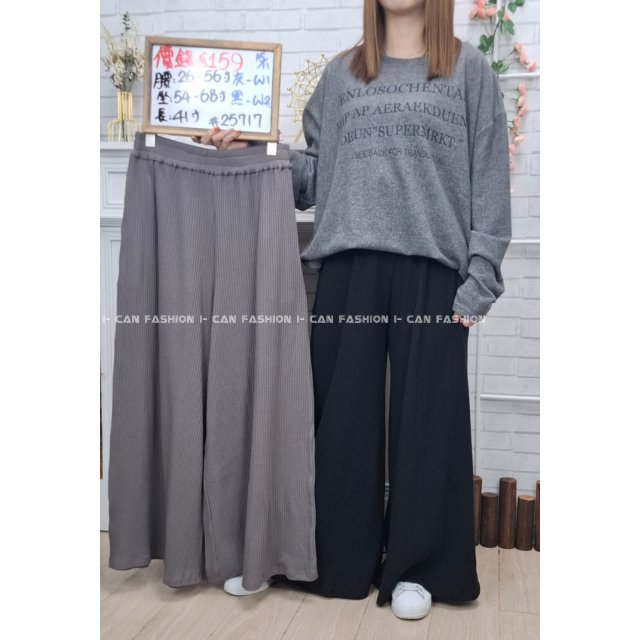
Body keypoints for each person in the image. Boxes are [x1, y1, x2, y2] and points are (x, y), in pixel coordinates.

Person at [193, 0, 511, 621]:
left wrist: (479, 283)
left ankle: (418, 567)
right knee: (337, 420)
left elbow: (490, 182)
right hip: (347, 266)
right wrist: (257, 149)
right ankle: (331, 561)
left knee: (429, 421)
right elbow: (315, 177)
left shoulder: (469, 72)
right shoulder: (342, 75)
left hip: (433, 269)